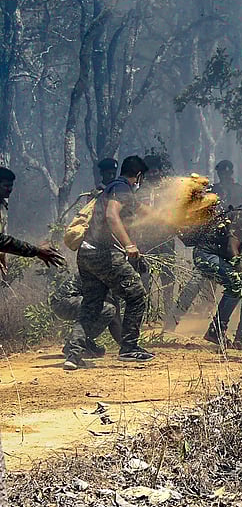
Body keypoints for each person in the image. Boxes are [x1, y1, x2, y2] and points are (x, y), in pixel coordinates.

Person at [64, 155, 153, 370]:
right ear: (138, 175)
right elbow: (112, 216)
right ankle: (129, 347)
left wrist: (171, 218)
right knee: (137, 295)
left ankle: (73, 355)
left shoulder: (114, 188)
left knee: (91, 305)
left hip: (86, 254)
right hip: (104, 255)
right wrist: (129, 245)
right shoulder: (122, 188)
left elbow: (144, 211)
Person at [169, 199, 242, 349]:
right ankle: (215, 331)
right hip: (206, 254)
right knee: (235, 284)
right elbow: (232, 248)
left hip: (221, 258)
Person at [0, 167, 66, 281]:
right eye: (6, 186)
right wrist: (36, 251)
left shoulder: (2, 203)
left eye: (11, 186)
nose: (9, 189)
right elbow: (1, 241)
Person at [135, 153, 177, 321]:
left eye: (155, 171)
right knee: (144, 276)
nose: (153, 174)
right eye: (149, 172)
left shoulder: (168, 190)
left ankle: (168, 311)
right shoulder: (139, 192)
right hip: (145, 239)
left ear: (160, 171)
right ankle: (145, 313)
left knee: (167, 275)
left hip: (166, 239)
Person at [52, 272, 122, 359]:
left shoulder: (102, 271)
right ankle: (76, 344)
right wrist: (127, 346)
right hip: (66, 301)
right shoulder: (107, 277)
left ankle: (83, 343)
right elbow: (115, 321)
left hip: (60, 303)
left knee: (102, 309)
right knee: (108, 309)